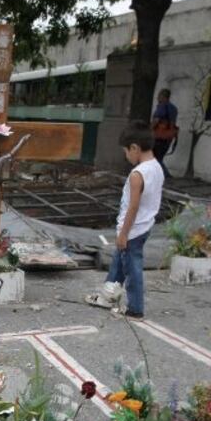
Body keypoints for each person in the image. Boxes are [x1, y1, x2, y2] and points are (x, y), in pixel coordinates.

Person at [85, 121, 164, 320]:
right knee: (118, 263)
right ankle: (107, 296)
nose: (126, 156)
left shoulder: (138, 174)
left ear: (135, 148)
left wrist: (123, 234)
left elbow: (133, 207)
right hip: (144, 226)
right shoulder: (157, 168)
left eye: (126, 151)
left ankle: (135, 309)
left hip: (133, 230)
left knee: (132, 269)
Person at [151, 89, 177, 178]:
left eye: (159, 96)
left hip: (159, 136)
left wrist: (149, 129)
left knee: (155, 158)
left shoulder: (162, 106)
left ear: (163, 96)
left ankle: (167, 176)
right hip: (169, 137)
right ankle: (162, 175)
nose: (157, 98)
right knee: (159, 157)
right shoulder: (173, 108)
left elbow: (156, 120)